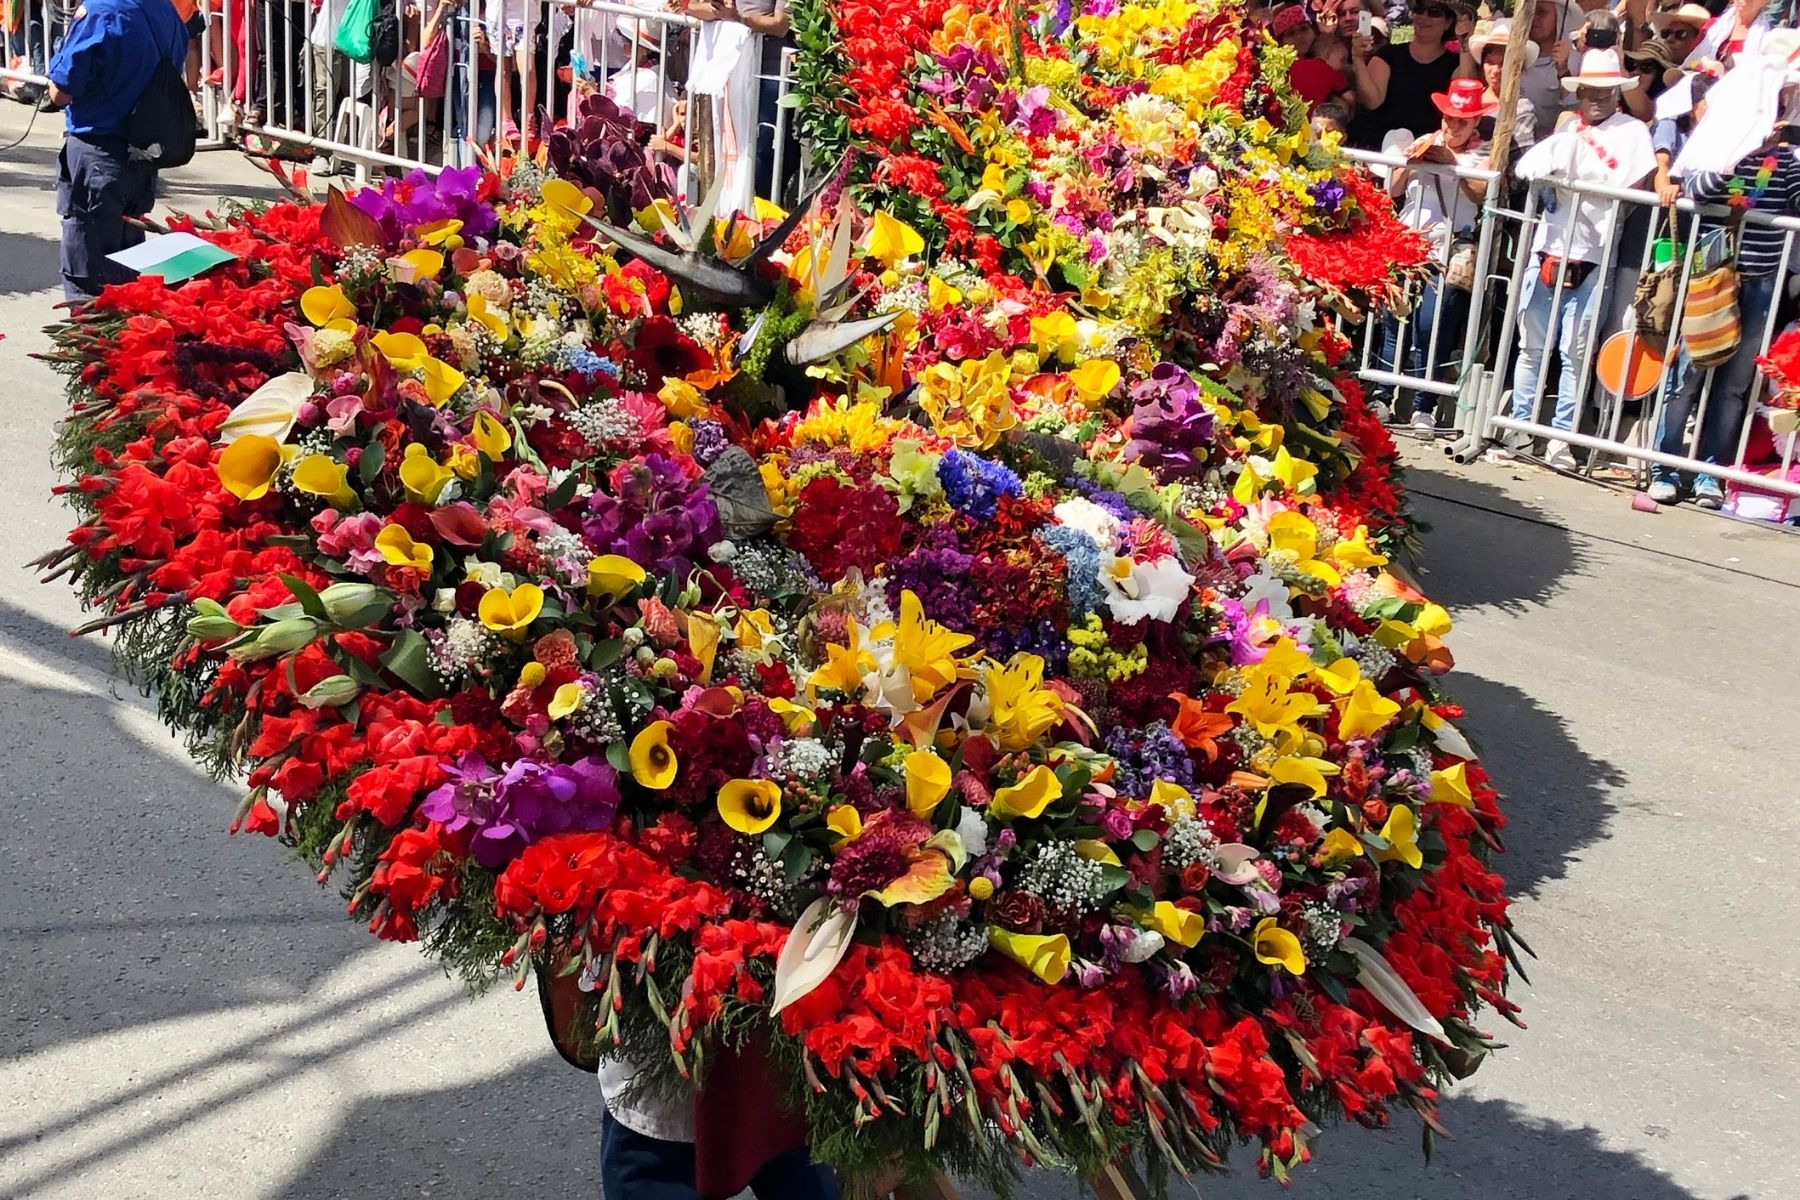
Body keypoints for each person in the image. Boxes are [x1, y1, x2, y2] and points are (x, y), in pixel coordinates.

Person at [1504, 48, 1656, 468]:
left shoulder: (1632, 133)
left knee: (1575, 352)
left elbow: (1629, 183)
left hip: (1594, 256)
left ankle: (1560, 439)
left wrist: (1575, 177)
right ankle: (1521, 427)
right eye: (1590, 89)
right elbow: (1528, 168)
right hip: (1549, 248)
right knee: (1531, 346)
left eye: (1604, 90)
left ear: (1617, 93)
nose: (1596, 97)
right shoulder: (1568, 129)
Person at [1648, 133, 1800, 506]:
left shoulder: (1788, 163)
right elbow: (1698, 189)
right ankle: (1663, 468)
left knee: (1734, 385)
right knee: (1687, 375)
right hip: (1710, 279)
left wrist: (1780, 149)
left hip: (1761, 284)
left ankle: (1710, 473)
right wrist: (1741, 150)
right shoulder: (1717, 148)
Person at [47, 0, 189, 302]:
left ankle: (94, 342)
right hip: (144, 152)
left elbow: (61, 91)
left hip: (98, 150)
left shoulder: (100, 11)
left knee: (89, 271)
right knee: (129, 262)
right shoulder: (165, 9)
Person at [1384, 78, 1496, 436]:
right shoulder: (1424, 140)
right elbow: (1394, 189)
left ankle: (1423, 406)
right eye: (1448, 117)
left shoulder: (1485, 153)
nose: (1452, 125)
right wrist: (1412, 160)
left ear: (1476, 121)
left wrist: (1451, 163)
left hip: (1447, 252)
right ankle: (1381, 396)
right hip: (1408, 245)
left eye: (1461, 120)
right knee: (1393, 322)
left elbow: (1480, 193)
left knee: (1433, 327)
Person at [1349, 2, 1459, 149]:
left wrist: (1465, 46)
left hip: (1427, 151)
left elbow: (1461, 107)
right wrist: (1357, 58)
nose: (1424, 16)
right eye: (1420, 10)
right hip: (1381, 146)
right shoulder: (1388, 55)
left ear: (1448, 23)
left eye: (1434, 12)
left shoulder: (1455, 64)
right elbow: (1372, 102)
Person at [1466, 20, 1540, 150]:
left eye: (1504, 64)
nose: (1496, 70)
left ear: (1518, 67)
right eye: (1490, 62)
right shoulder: (1469, 98)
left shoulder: (1522, 110)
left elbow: (1520, 157)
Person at [1273, 3, 1352, 110]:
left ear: (1313, 31)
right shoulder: (1318, 66)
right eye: (1291, 33)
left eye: (1303, 29)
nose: (1299, 36)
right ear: (1281, 43)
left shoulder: (1322, 61)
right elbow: (1350, 100)